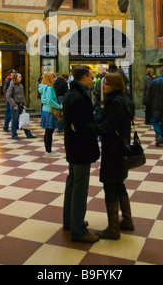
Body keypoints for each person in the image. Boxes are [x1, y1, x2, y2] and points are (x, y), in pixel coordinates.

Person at [63, 65, 100, 243]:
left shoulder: (73, 94)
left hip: (73, 146)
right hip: (81, 147)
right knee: (80, 187)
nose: (93, 80)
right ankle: (78, 230)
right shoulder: (79, 97)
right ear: (84, 77)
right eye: (91, 77)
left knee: (72, 182)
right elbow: (82, 126)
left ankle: (70, 221)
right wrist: (97, 127)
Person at [96, 72, 135, 240]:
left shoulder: (115, 102)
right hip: (122, 148)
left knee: (110, 185)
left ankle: (113, 229)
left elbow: (107, 126)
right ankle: (127, 220)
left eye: (105, 83)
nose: (103, 86)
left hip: (113, 149)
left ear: (113, 85)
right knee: (119, 183)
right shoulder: (125, 100)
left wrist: (90, 127)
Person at [39, 73, 63, 157]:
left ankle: (48, 150)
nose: (54, 79)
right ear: (48, 79)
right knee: (49, 132)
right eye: (52, 78)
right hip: (49, 111)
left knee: (48, 132)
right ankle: (48, 151)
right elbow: (50, 100)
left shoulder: (43, 87)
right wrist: (59, 106)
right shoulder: (49, 88)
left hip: (45, 110)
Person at [6, 73, 36, 140]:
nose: (21, 78)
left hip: (21, 105)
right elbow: (8, 96)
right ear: (15, 78)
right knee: (14, 120)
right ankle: (14, 135)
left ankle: (28, 134)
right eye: (19, 77)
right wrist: (14, 105)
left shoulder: (21, 85)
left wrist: (24, 104)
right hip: (15, 105)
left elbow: (22, 95)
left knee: (24, 119)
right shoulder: (12, 85)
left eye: (21, 77)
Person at [3, 69, 16, 133]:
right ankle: (6, 126)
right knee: (9, 113)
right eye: (14, 73)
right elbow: (5, 90)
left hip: (14, 99)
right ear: (11, 74)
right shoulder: (7, 80)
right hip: (10, 99)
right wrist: (7, 98)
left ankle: (16, 125)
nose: (15, 74)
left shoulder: (14, 80)